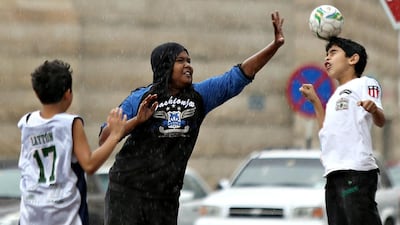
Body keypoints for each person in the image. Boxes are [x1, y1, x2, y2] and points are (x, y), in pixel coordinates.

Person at [98, 11, 284, 225]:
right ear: (165, 65)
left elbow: (239, 75)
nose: (188, 65)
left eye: (189, 60)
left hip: (165, 197)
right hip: (127, 191)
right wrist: (137, 120)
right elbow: (105, 139)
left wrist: (274, 46)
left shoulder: (200, 96)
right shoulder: (141, 97)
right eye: (180, 60)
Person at [17, 59, 156, 225]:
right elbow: (89, 165)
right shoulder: (70, 123)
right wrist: (114, 136)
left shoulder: (26, 122)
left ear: (36, 92)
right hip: (64, 215)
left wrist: (136, 121)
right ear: (68, 94)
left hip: (31, 214)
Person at [299, 36, 386, 225]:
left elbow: (380, 120)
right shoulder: (333, 97)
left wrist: (373, 109)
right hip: (333, 173)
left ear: (353, 59)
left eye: (333, 53)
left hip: (356, 171)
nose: (327, 59)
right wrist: (315, 101)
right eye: (326, 54)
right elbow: (325, 132)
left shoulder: (365, 83)